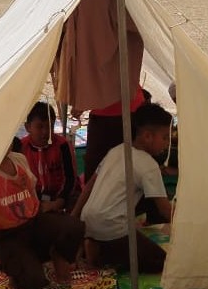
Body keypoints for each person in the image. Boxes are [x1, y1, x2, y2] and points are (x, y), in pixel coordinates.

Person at [71, 103, 174, 274]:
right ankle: (103, 253)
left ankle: (93, 245)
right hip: (111, 227)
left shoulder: (116, 150)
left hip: (87, 222)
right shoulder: (148, 164)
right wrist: (186, 224)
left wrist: (74, 217)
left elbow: (89, 186)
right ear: (148, 136)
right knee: (163, 262)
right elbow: (164, 209)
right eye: (165, 138)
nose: (167, 143)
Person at [0, 137, 85, 289]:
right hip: (8, 236)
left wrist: (48, 217)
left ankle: (54, 255)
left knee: (73, 227)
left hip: (33, 222)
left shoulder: (19, 159)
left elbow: (32, 192)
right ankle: (18, 270)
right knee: (34, 281)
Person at [77, 84, 147, 183]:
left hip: (122, 111)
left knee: (125, 166)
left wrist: (82, 102)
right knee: (98, 168)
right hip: (124, 109)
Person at [20, 101, 80, 214]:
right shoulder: (21, 148)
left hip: (62, 197)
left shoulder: (63, 145)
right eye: (40, 127)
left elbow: (70, 179)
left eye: (50, 126)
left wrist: (58, 202)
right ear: (28, 127)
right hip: (32, 198)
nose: (45, 132)